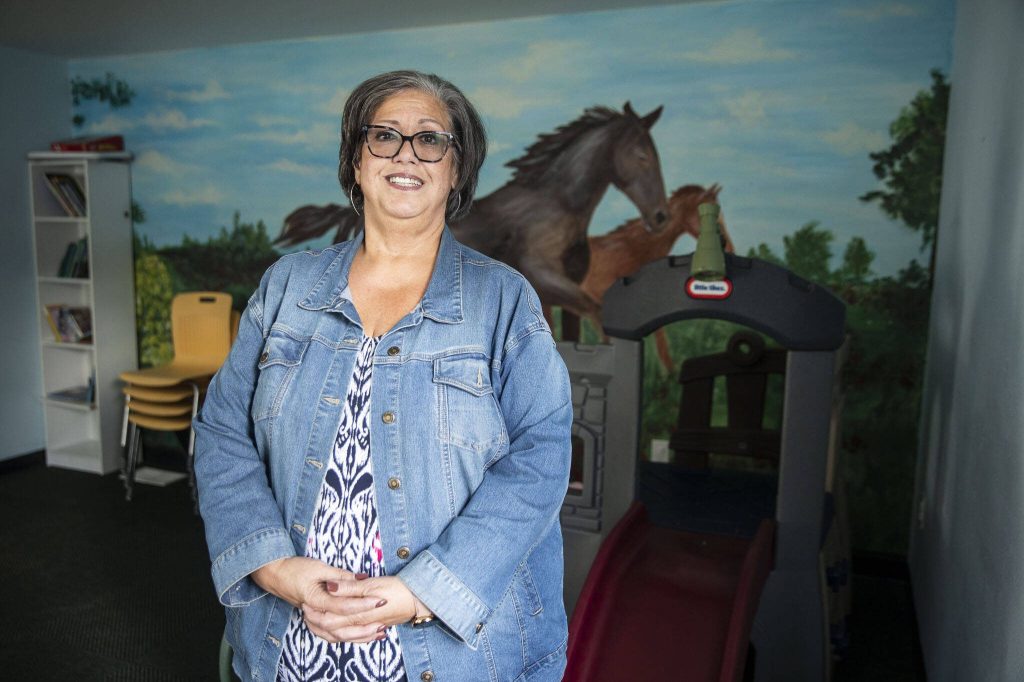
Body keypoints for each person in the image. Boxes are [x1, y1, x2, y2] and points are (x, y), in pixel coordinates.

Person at [194, 70, 573, 682]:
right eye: (384, 136)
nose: (406, 154)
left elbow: (541, 459)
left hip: (452, 654)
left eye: (431, 140)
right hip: (290, 642)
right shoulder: (286, 287)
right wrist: (269, 566)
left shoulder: (503, 300)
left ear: (455, 171)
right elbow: (221, 431)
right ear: (356, 161)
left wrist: (425, 591)